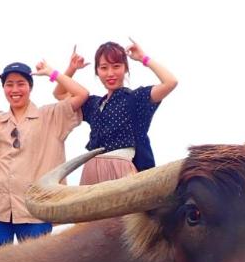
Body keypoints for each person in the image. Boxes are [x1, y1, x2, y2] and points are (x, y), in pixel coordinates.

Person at [0, 60, 88, 250]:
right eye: (9, 84)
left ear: (30, 87)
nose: (15, 89)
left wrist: (52, 72)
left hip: (35, 209)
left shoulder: (51, 116)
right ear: (3, 88)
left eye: (21, 84)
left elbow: (82, 94)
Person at [56, 38, 178, 183]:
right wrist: (72, 69)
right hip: (91, 169)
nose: (110, 73)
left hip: (122, 169)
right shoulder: (94, 104)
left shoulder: (136, 98)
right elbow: (60, 93)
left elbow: (170, 82)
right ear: (97, 71)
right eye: (104, 68)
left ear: (125, 68)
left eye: (116, 66)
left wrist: (142, 58)